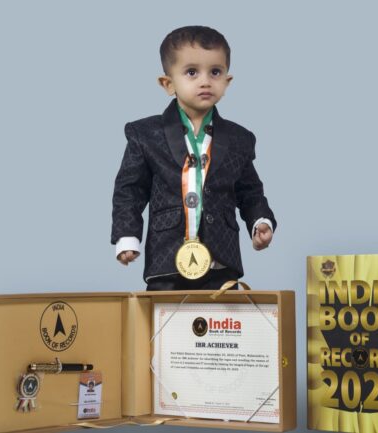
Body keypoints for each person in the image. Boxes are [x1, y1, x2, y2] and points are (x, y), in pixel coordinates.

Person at [111, 26, 276, 291]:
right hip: (167, 260)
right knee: (163, 317)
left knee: (223, 317)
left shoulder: (240, 139)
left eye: (215, 72)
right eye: (191, 72)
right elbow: (130, 191)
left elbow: (250, 191)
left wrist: (260, 221)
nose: (205, 81)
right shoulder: (145, 134)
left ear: (227, 81)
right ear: (168, 84)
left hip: (221, 262)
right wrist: (127, 236)